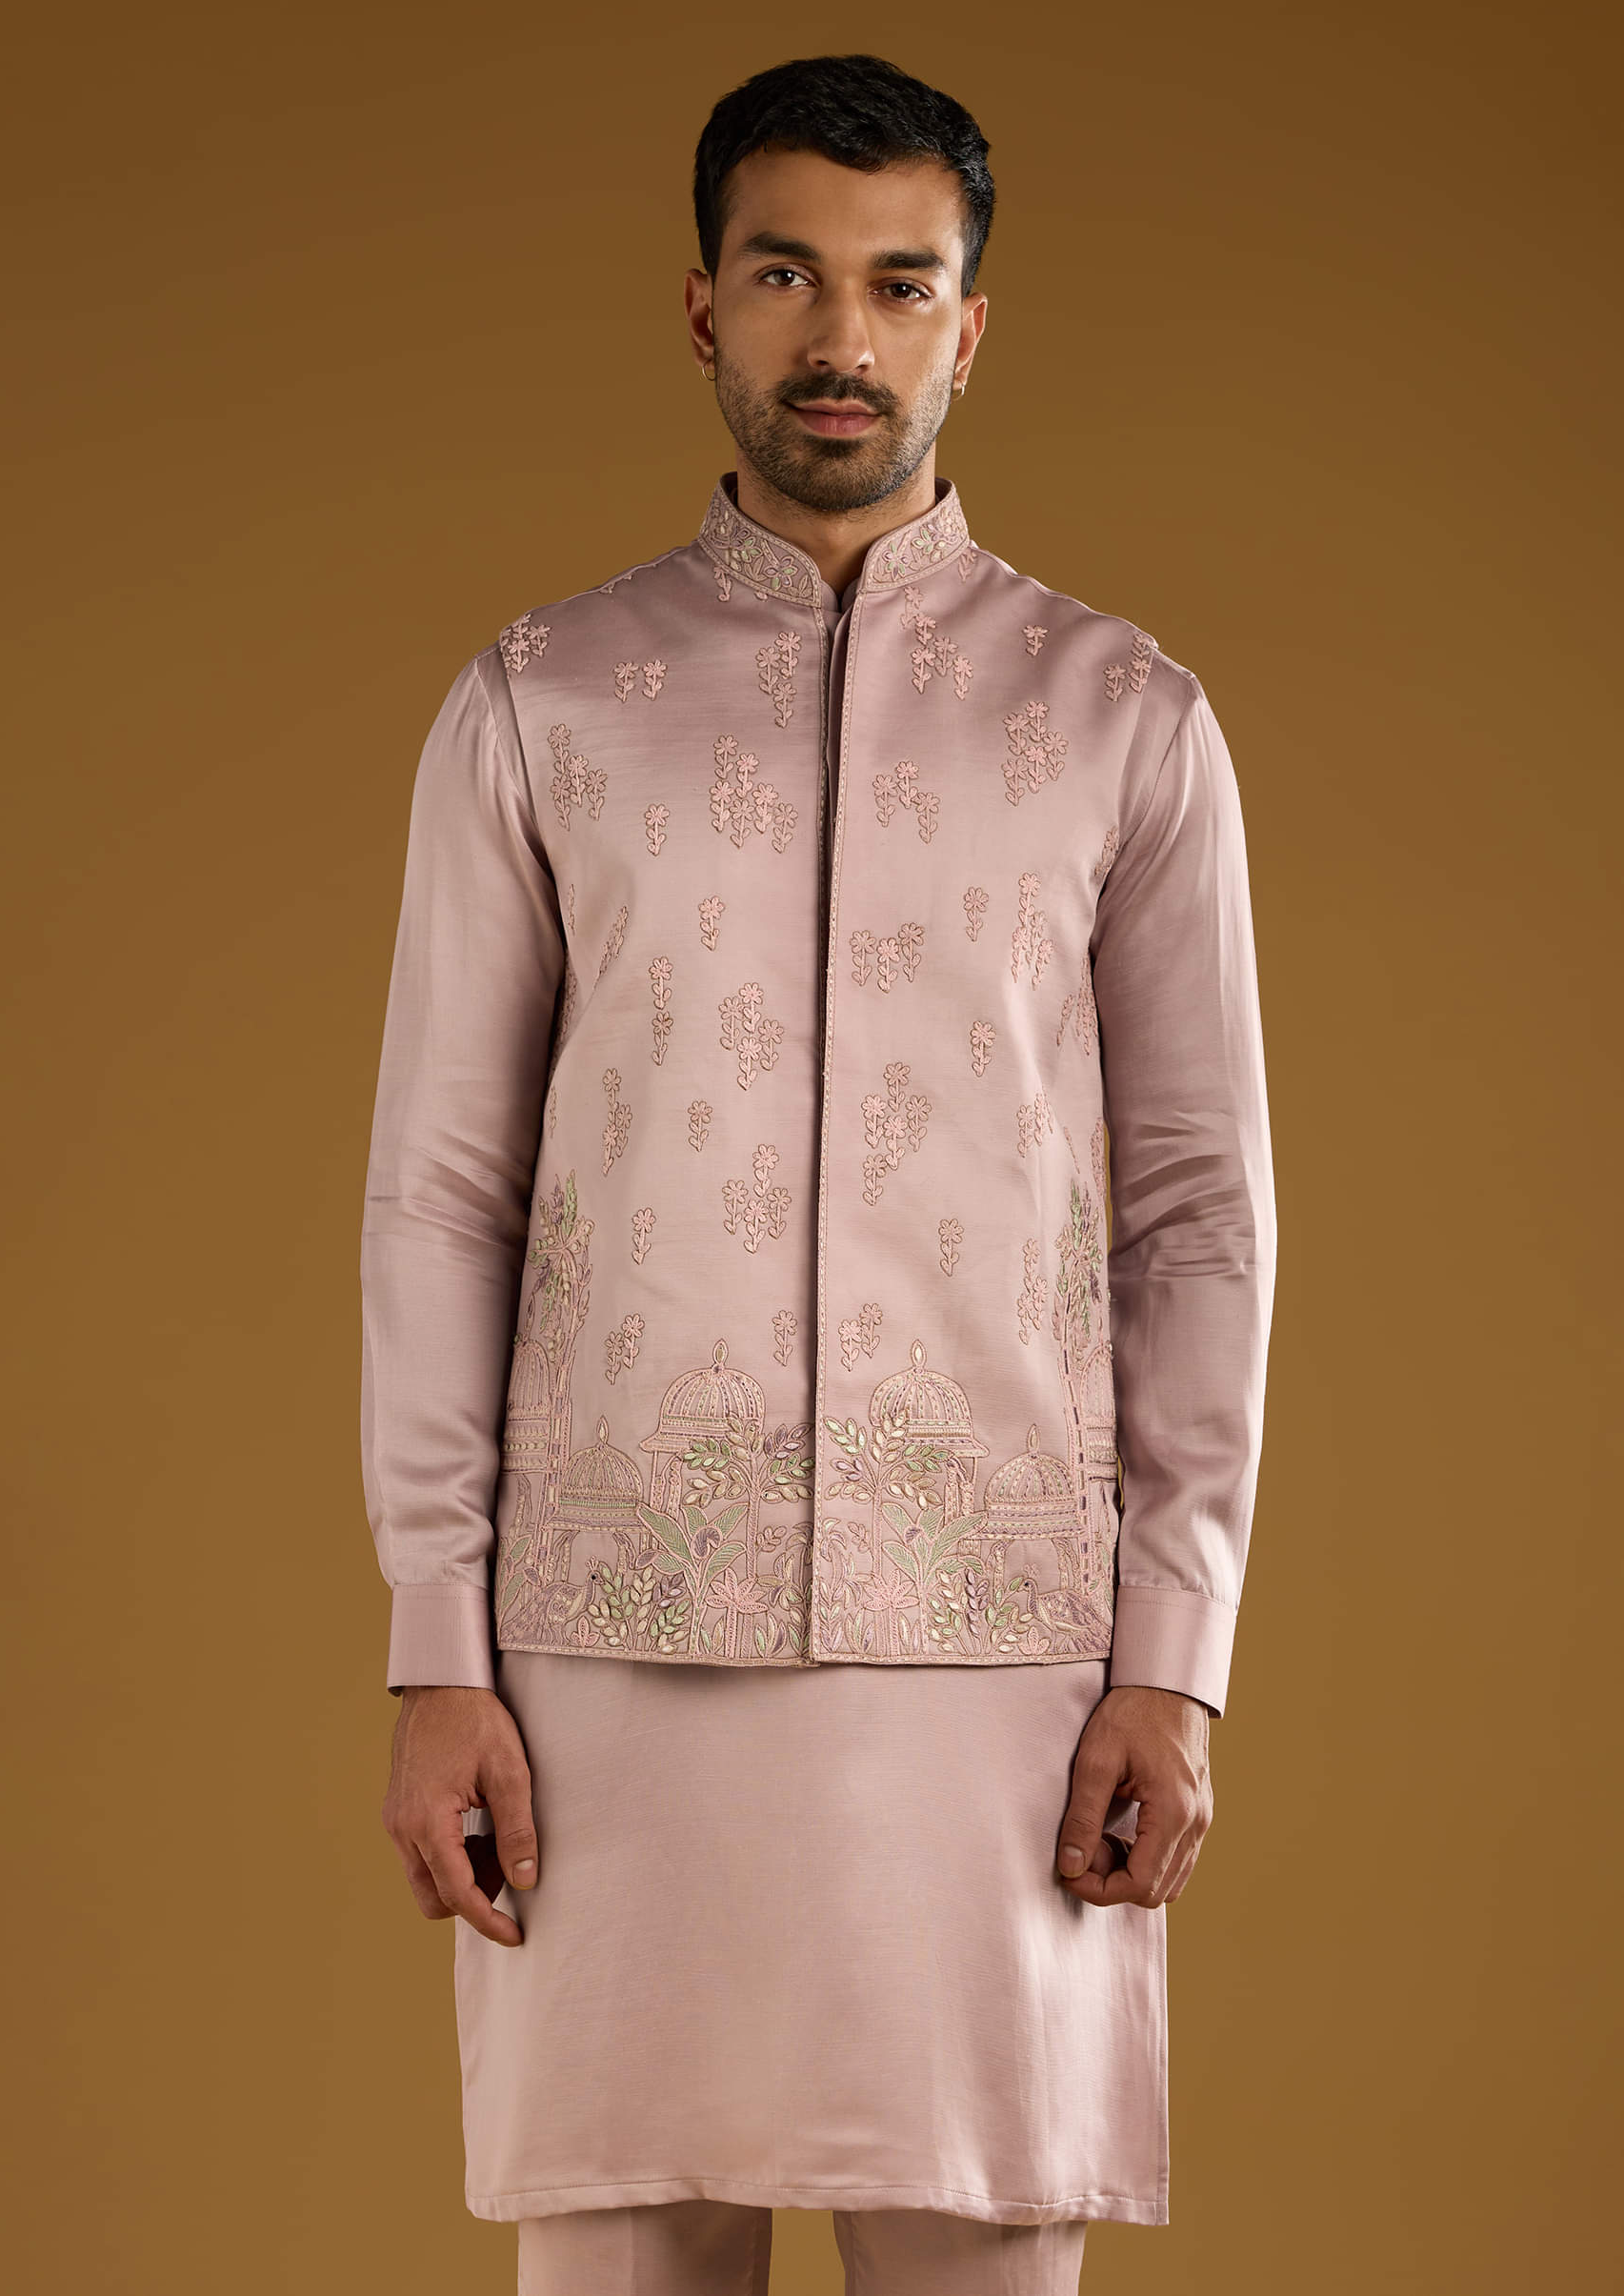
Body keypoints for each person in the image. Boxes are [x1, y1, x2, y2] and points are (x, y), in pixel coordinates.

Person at [360, 50, 1277, 2296]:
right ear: (704, 305)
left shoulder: (1126, 720)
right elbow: (444, 1190)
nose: (840, 337)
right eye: (787, 275)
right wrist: (433, 1647)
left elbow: (1198, 1214)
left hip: (1005, 1673)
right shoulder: (546, 704)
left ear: (973, 324)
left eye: (898, 282)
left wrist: (1175, 1658)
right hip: (601, 1666)